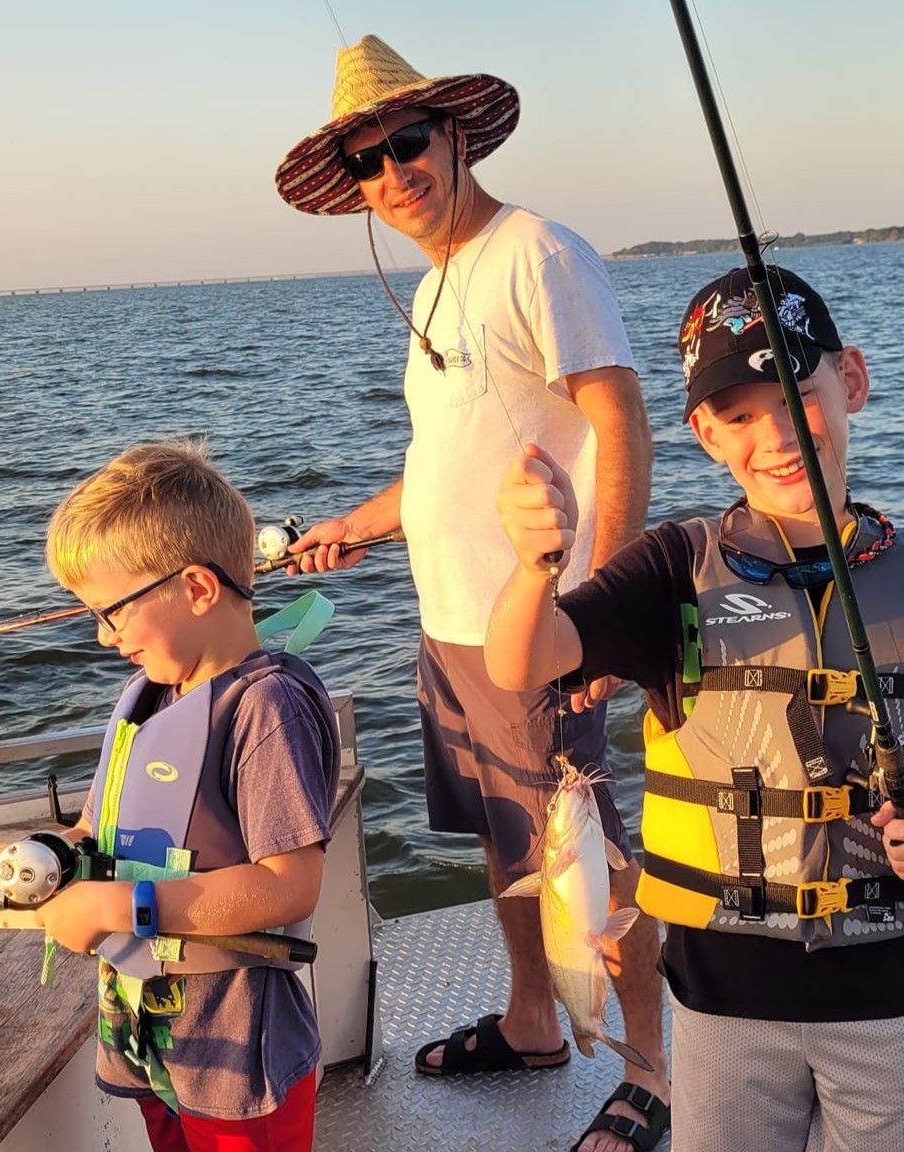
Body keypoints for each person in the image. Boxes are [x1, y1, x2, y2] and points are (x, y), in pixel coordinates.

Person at [485, 265, 904, 1151]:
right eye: (738, 415)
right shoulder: (672, 571)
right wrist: (534, 564)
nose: (775, 436)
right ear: (703, 433)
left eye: (797, 394)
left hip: (888, 992)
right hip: (720, 1000)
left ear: (850, 379)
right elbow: (526, 660)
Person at [274, 34, 664, 1152]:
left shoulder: (535, 250)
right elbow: (452, 454)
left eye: (407, 143)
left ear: (453, 133)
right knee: (508, 842)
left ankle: (651, 1073)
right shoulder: (441, 284)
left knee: (591, 857)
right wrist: (356, 523)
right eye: (367, 161)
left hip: (547, 632)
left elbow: (618, 420)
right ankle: (536, 1020)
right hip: (453, 630)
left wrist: (603, 614)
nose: (393, 174)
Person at [0, 440, 340, 1152]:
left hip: (235, 1055)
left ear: (196, 588)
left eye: (114, 611)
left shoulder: (267, 707)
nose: (104, 637)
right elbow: (90, 837)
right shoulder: (148, 698)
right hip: (147, 1037)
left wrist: (122, 907)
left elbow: (291, 887)